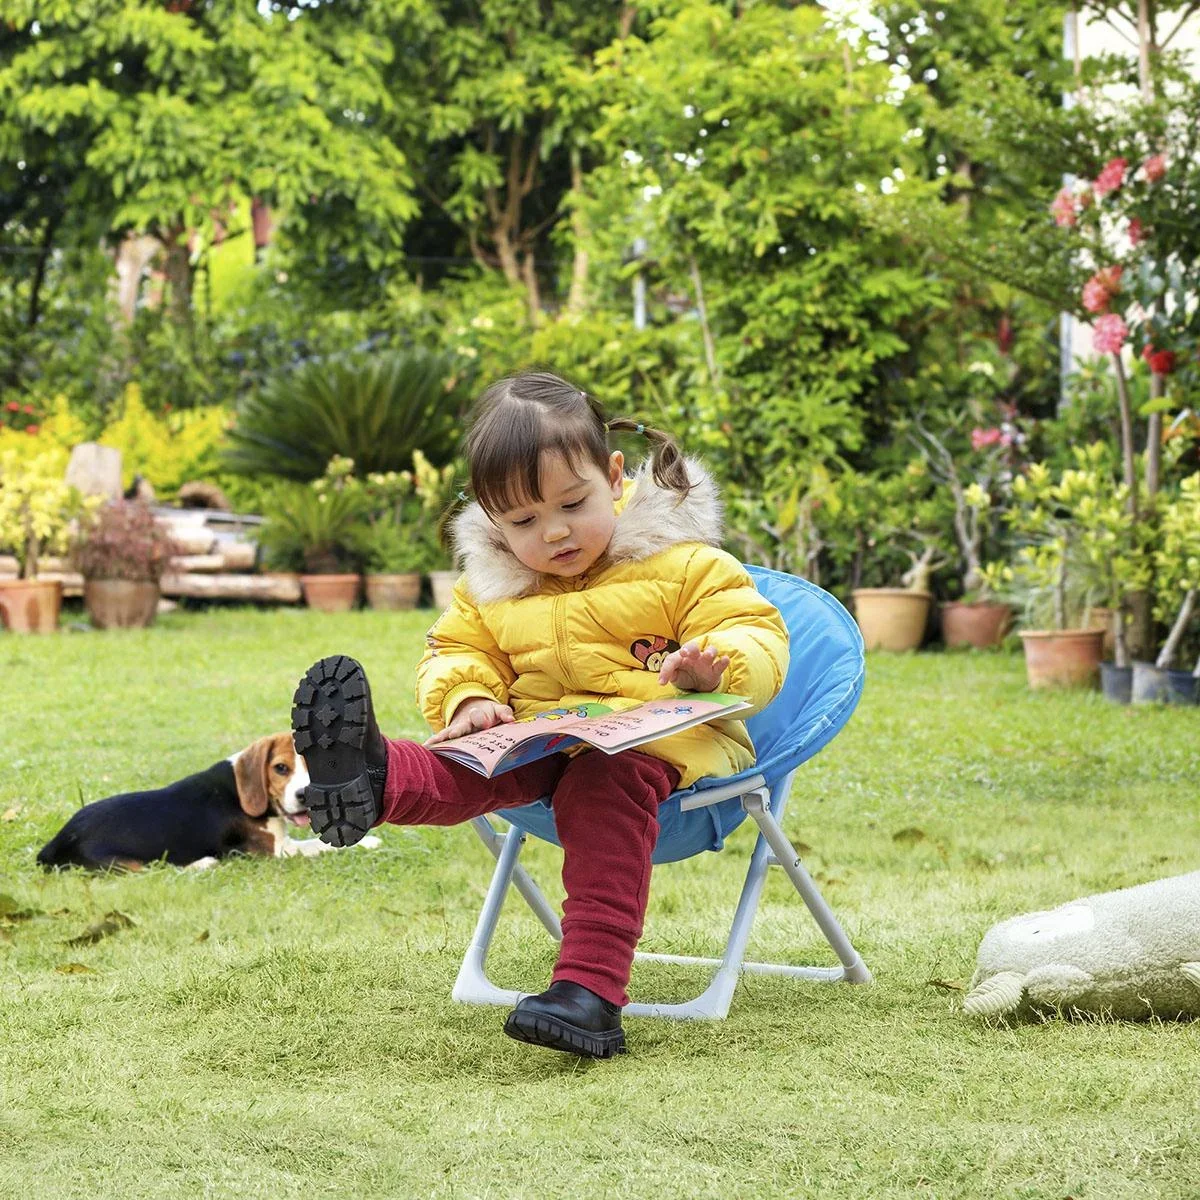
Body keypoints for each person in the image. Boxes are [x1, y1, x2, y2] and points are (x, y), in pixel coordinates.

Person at [292, 370, 789, 1059]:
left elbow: (757, 634)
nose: (554, 532)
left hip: (668, 756)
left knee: (601, 784)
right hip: (545, 741)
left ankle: (590, 992)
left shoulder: (685, 564)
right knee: (475, 759)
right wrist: (470, 698)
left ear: (613, 476)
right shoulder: (492, 588)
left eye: (573, 504)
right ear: (494, 521)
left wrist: (715, 669)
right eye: (523, 522)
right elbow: (456, 650)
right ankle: (373, 778)